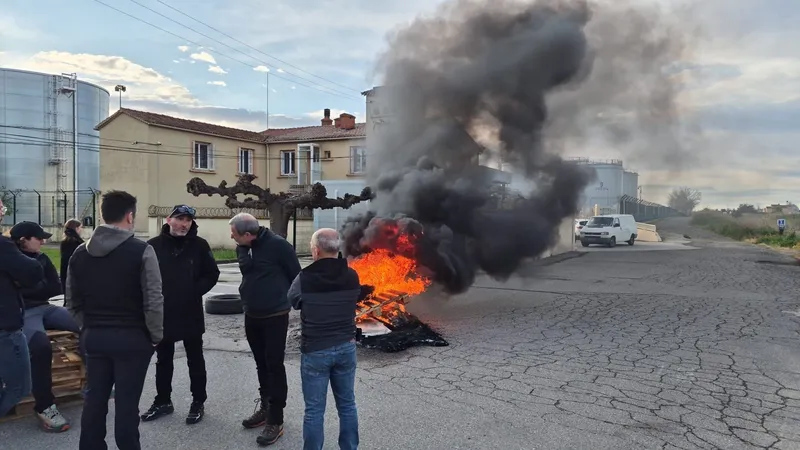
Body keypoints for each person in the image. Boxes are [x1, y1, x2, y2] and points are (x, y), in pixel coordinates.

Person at [65, 190, 164, 450]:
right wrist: (154, 337)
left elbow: (71, 301)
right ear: (130, 216)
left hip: (94, 337)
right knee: (126, 405)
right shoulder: (142, 251)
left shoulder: (79, 253)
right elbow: (153, 301)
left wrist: (88, 327)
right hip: (133, 339)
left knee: (94, 399)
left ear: (102, 214)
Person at [141, 205, 219, 425]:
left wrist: (194, 290)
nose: (185, 224)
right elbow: (143, 277)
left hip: (190, 311)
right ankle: (163, 401)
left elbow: (212, 273)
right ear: (168, 220)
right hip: (163, 313)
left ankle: (198, 401)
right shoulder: (153, 246)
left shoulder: (199, 246)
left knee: (195, 358)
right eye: (180, 219)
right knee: (163, 359)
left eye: (188, 220)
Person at [229, 212, 301, 446]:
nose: (232, 238)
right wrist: (242, 250)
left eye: (234, 235)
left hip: (275, 316)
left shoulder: (279, 246)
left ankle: (276, 420)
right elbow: (248, 272)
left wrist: (285, 300)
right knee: (261, 364)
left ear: (248, 234)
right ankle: (266, 408)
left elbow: (296, 276)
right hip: (252, 313)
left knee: (274, 366)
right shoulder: (245, 246)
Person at [288, 229, 361, 450]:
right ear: (337, 249)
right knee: (347, 405)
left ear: (315, 250)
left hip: (316, 350)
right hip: (346, 347)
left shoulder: (305, 278)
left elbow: (293, 300)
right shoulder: (352, 275)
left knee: (314, 410)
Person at [11, 221, 80, 432]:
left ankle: (96, 385)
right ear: (23, 241)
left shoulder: (42, 257)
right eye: (38, 238)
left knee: (88, 324)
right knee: (40, 345)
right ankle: (45, 406)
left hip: (46, 307)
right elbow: (11, 293)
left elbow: (54, 286)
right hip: (25, 312)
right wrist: (34, 288)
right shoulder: (8, 259)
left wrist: (27, 288)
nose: (43, 241)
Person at [0, 199, 44, 418]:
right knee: (20, 387)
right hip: (5, 327)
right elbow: (34, 273)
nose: (2, 213)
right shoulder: (2, 246)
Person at [59, 219, 84, 290]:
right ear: (76, 228)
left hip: (66, 274)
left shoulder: (64, 242)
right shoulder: (77, 243)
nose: (81, 230)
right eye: (80, 227)